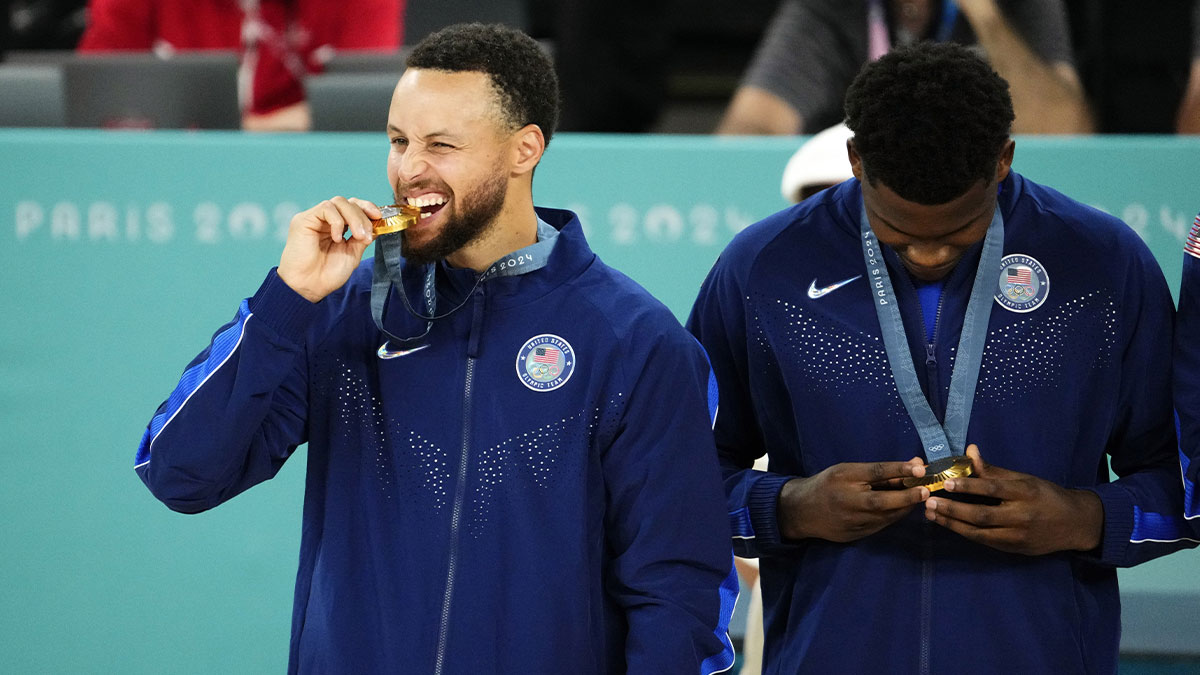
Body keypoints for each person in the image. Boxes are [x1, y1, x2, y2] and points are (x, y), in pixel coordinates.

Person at [134, 23, 736, 674]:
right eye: (398, 141)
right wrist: (287, 300)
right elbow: (180, 474)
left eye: (441, 145)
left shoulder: (635, 341)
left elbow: (678, 594)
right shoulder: (343, 310)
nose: (408, 169)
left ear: (524, 149)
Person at [689, 41, 1192, 673]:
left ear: (1003, 160)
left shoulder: (1101, 265)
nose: (928, 255)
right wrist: (790, 507)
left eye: (959, 232)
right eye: (898, 233)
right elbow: (679, 475)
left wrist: (1084, 518)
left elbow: (1184, 478)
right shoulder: (766, 268)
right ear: (855, 159)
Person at [718, 0, 1093, 135]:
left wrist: (986, 15)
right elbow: (749, 132)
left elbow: (1063, 133)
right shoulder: (831, 7)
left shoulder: (1015, 7)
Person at [78, 0, 404, 130]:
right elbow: (92, 103)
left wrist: (242, 132)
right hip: (165, 175)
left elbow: (369, 107)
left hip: (306, 181)